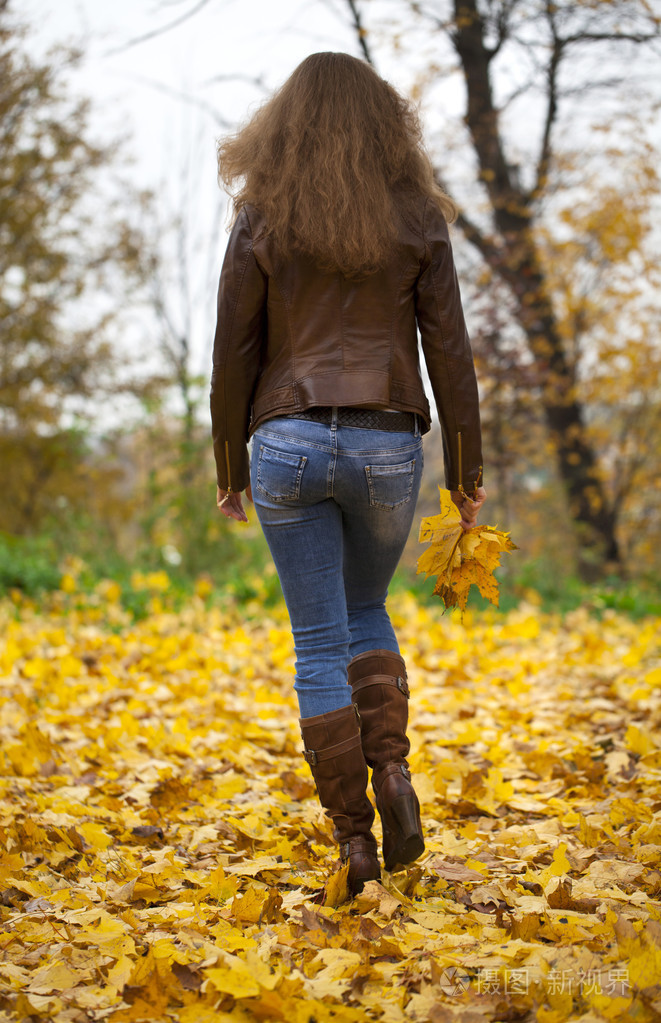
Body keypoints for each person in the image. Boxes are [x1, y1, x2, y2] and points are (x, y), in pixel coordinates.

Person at [210, 52, 486, 894]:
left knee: (318, 640)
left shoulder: (264, 212)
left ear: (283, 126)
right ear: (383, 123)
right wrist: (465, 474)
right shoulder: (416, 215)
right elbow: (450, 352)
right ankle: (394, 776)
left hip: (285, 438)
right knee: (366, 610)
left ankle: (355, 844)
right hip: (385, 443)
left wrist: (231, 466)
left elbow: (234, 351)